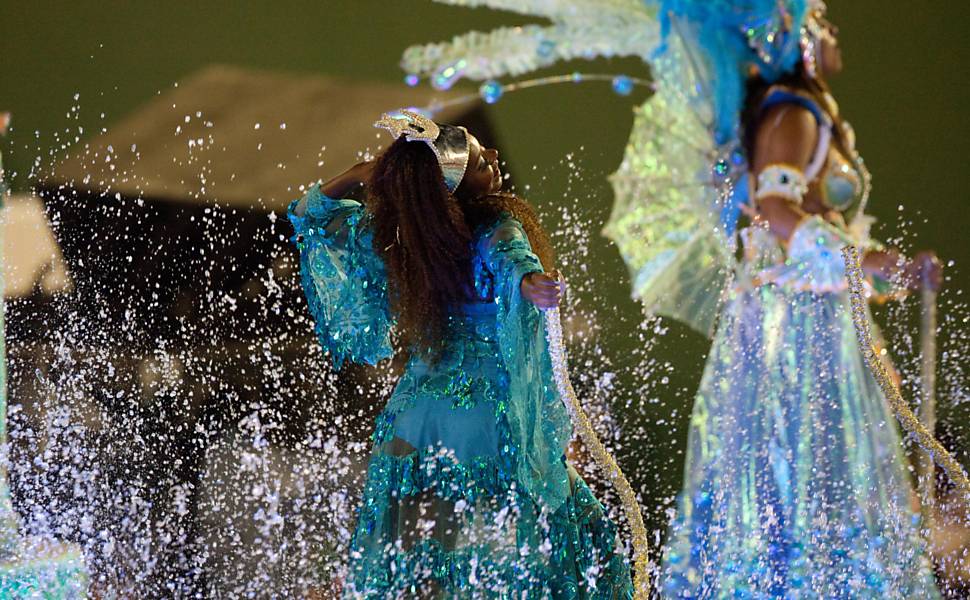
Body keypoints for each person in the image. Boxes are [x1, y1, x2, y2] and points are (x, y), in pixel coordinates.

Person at [652, 2, 943, 597]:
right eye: (822, 22)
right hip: (798, 331)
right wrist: (864, 261)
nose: (834, 33)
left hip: (810, 318)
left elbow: (817, 223)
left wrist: (886, 269)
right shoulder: (793, 113)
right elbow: (777, 211)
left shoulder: (804, 114)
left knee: (812, 473)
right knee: (803, 469)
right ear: (795, 41)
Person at [289, 111, 632, 598]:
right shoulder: (496, 223)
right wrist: (529, 284)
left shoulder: (404, 240)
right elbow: (511, 257)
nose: (491, 156)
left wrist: (362, 174)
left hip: (414, 420)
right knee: (574, 542)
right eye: (476, 160)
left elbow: (309, 215)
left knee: (421, 558)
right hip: (485, 418)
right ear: (451, 183)